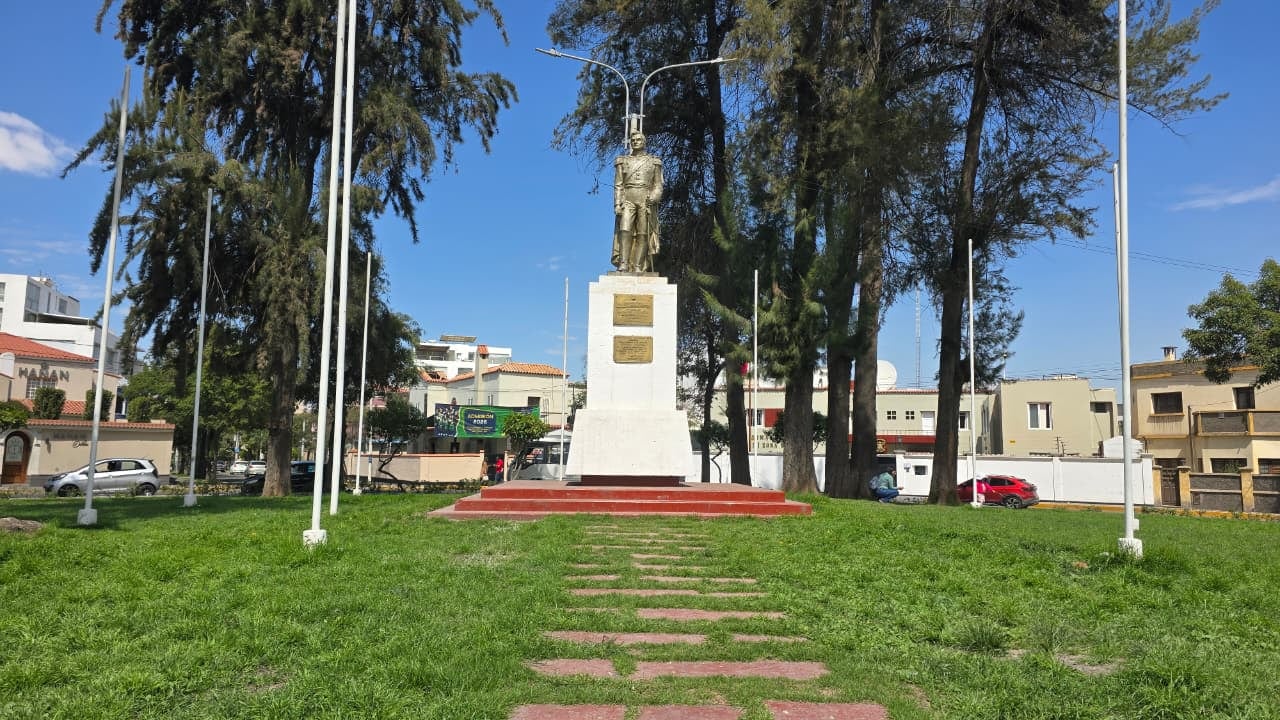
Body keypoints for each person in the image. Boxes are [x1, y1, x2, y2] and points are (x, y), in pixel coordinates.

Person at [612, 131, 664, 272]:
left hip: (645, 199)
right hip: (628, 198)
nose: (635, 141)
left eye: (638, 139)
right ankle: (623, 263)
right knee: (625, 229)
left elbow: (658, 185)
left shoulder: (654, 162)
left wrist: (654, 197)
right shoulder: (623, 161)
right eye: (633, 140)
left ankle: (638, 266)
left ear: (644, 142)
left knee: (643, 233)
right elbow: (618, 185)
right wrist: (617, 204)